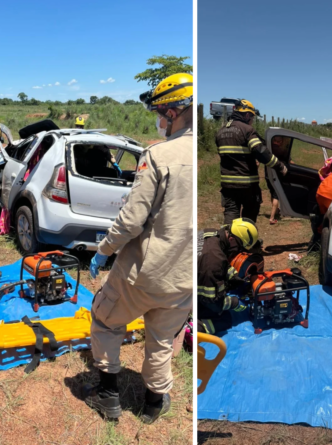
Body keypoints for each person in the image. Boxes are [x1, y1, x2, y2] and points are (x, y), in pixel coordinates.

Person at [85, 73, 193, 424]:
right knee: (161, 339)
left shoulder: (160, 155)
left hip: (144, 273)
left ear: (174, 112)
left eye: (161, 114)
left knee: (104, 319)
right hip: (183, 280)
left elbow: (132, 221)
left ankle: (108, 396)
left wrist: (103, 250)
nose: (159, 121)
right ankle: (152, 405)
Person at [215, 100, 288, 224]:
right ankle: (248, 242)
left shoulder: (220, 132)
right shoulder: (247, 130)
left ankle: (229, 241)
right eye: (252, 117)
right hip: (247, 185)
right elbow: (260, 151)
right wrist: (280, 166)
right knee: (249, 217)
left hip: (227, 185)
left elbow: (232, 155)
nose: (252, 121)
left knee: (231, 215)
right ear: (247, 115)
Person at [197, 218, 258, 335]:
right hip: (183, 296)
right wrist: (234, 302)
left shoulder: (211, 234)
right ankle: (197, 326)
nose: (239, 251)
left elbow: (223, 265)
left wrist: (237, 280)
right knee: (225, 320)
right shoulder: (213, 261)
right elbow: (212, 301)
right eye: (240, 247)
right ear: (232, 239)